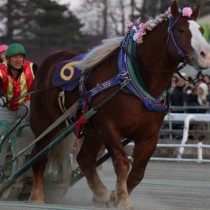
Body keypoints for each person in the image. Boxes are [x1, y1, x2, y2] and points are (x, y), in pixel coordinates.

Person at [0, 43, 37, 126]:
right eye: (15, 57)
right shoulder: (0, 70)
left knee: (33, 104)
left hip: (25, 107)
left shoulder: (33, 67)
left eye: (21, 57)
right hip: (5, 108)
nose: (18, 60)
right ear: (7, 59)